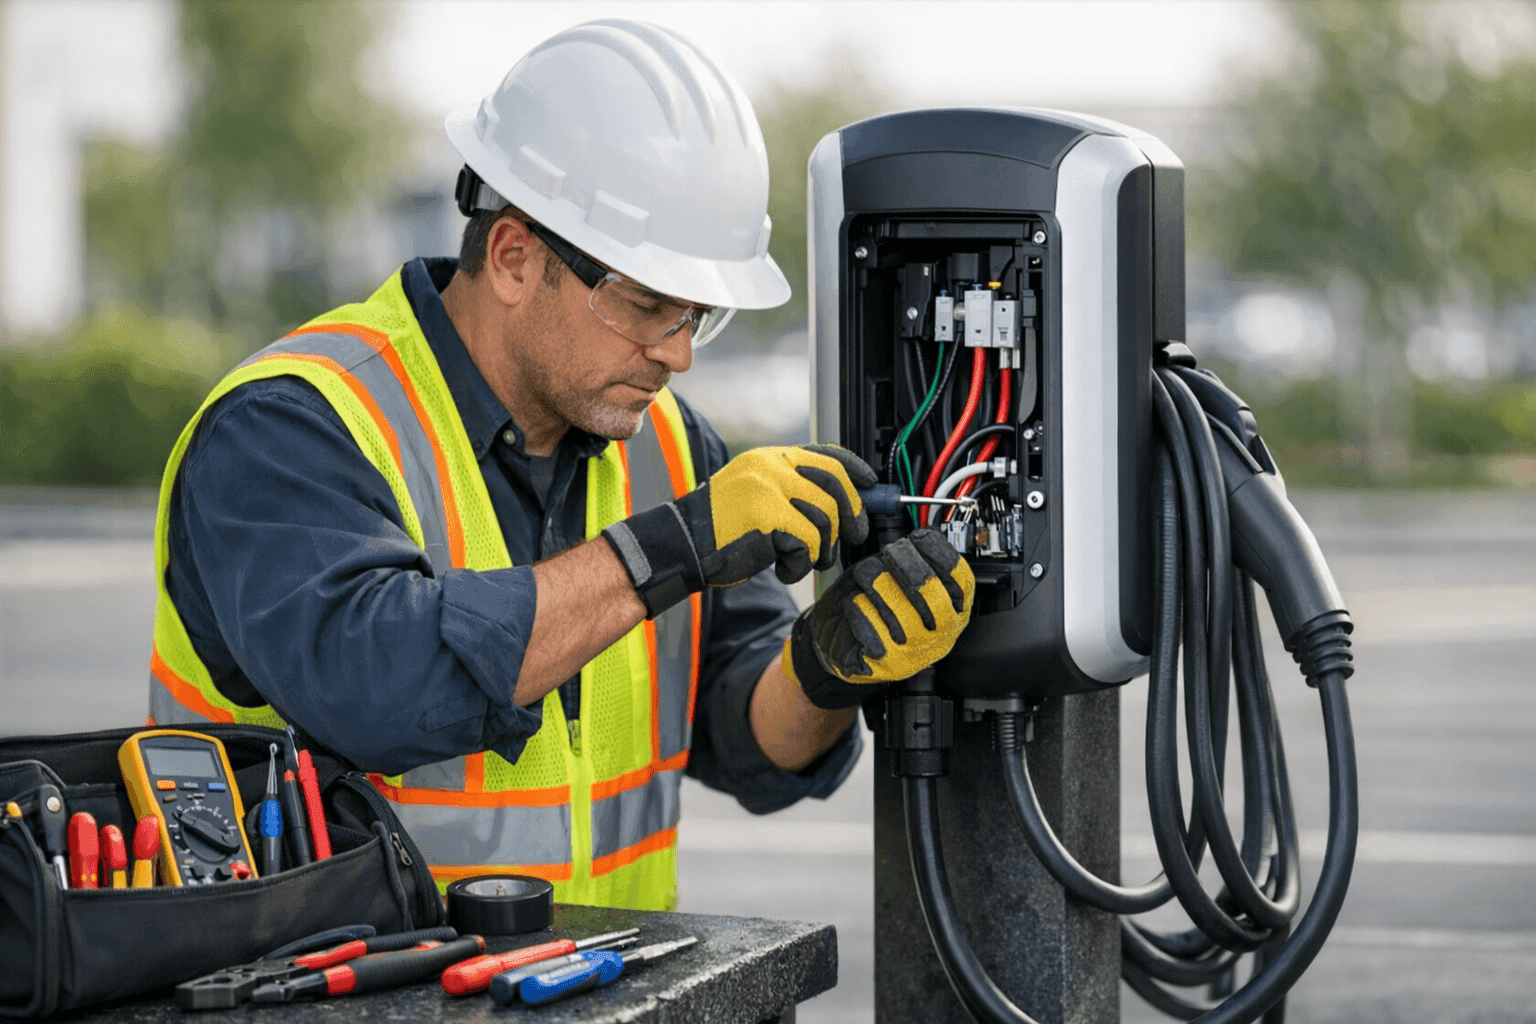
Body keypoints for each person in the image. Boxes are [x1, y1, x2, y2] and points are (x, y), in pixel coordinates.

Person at [145, 19, 973, 910]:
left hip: (603, 993)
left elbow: (747, 743)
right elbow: (380, 685)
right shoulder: (289, 426)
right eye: (647, 302)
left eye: (696, 315)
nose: (677, 354)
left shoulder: (670, 447)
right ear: (511, 257)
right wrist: (671, 549)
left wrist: (826, 671)